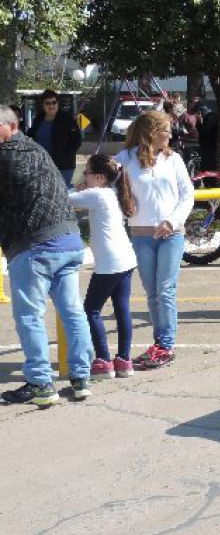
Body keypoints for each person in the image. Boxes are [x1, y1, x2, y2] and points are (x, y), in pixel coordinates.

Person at [0, 105, 92, 406]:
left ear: (9, 126)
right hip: (68, 239)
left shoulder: (6, 155)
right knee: (71, 311)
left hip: (35, 245)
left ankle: (41, 383)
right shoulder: (36, 149)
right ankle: (80, 378)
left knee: (29, 316)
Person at [115, 111, 194, 369]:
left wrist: (171, 221)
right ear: (151, 132)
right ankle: (158, 342)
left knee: (165, 290)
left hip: (172, 233)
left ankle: (166, 345)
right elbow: (103, 176)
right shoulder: (126, 158)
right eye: (166, 130)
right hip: (141, 234)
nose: (171, 135)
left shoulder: (173, 159)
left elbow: (187, 195)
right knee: (151, 293)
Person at [68, 154, 138, 379]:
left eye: (86, 173)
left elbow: (65, 199)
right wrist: (82, 189)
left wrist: (79, 190)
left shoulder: (97, 194)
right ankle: (124, 361)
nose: (84, 177)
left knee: (91, 310)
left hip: (110, 263)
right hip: (125, 259)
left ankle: (103, 360)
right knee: (121, 308)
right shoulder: (111, 192)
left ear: (98, 177)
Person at [26, 89, 82, 189]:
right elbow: (30, 137)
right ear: (43, 105)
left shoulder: (67, 119)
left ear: (58, 103)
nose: (51, 106)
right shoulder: (38, 120)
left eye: (53, 102)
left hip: (63, 165)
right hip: (42, 164)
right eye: (47, 103)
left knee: (63, 191)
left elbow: (77, 141)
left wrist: (66, 155)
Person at [195, 103, 220, 172]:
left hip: (209, 147)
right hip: (210, 146)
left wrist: (199, 122)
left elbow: (204, 132)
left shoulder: (209, 118)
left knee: (207, 166)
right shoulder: (211, 117)